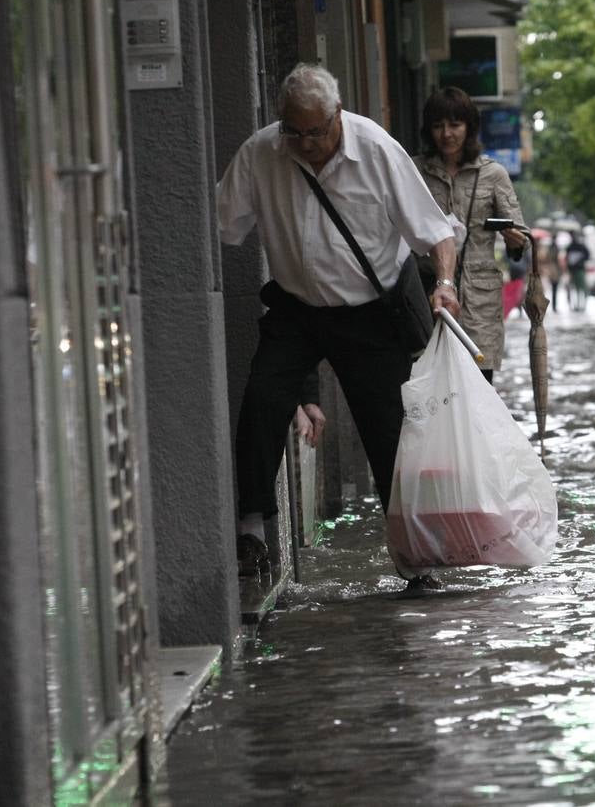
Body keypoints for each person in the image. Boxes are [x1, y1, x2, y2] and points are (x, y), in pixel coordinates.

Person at [215, 64, 459, 591]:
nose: (304, 143)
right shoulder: (263, 151)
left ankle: (415, 560)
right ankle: (250, 529)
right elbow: (221, 221)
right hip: (297, 309)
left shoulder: (375, 149)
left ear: (337, 116)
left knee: (389, 434)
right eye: (293, 131)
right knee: (262, 400)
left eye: (315, 131)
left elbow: (435, 231)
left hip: (369, 312)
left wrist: (445, 282)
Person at [412, 87, 528, 383]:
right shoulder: (414, 171)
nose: (447, 134)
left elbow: (521, 236)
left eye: (455, 125)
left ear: (469, 127)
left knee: (479, 385)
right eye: (438, 126)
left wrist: (515, 243)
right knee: (430, 386)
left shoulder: (493, 174)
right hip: (427, 295)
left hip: (480, 301)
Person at [565, 232, 591, 311]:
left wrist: (579, 260)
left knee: (580, 288)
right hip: (574, 270)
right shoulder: (570, 247)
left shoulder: (580, 247)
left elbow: (587, 256)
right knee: (575, 289)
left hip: (579, 270)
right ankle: (576, 305)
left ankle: (581, 305)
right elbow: (567, 258)